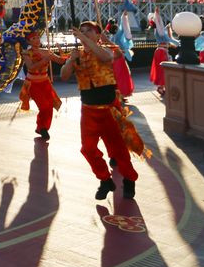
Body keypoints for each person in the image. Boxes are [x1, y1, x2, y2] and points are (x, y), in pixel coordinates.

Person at [60, 22, 142, 200]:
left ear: (98, 35)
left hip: (109, 109)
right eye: (81, 31)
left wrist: (85, 40)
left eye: (89, 31)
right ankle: (105, 179)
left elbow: (106, 58)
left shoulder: (105, 50)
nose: (84, 34)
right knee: (87, 149)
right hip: (88, 111)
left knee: (119, 150)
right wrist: (71, 60)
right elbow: (64, 76)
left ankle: (129, 179)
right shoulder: (77, 54)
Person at [19, 30, 66, 140]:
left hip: (45, 82)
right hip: (32, 83)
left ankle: (43, 128)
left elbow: (60, 61)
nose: (37, 40)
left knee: (49, 106)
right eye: (33, 38)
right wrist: (44, 60)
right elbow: (31, 67)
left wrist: (61, 51)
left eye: (37, 38)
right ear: (28, 41)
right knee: (44, 106)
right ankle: (41, 126)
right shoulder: (26, 53)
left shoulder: (46, 52)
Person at [149, 7, 177, 96]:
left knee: (162, 70)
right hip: (161, 52)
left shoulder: (159, 31)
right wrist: (157, 14)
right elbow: (167, 37)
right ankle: (161, 87)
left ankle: (162, 87)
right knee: (163, 70)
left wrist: (157, 14)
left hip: (161, 51)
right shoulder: (159, 31)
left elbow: (167, 38)